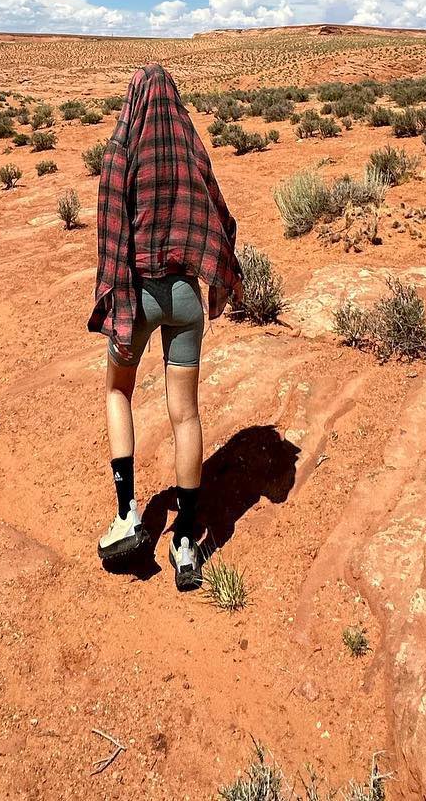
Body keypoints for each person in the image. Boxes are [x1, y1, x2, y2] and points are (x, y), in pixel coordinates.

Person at [88, 64, 242, 590]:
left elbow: (110, 234)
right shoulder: (190, 150)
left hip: (137, 295)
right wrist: (220, 273)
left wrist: (114, 297)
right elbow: (220, 214)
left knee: (118, 390)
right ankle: (185, 542)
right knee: (186, 414)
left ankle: (128, 512)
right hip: (183, 298)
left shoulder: (118, 152)